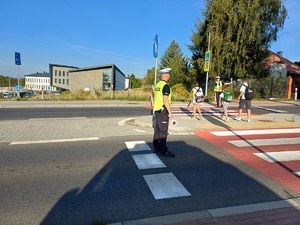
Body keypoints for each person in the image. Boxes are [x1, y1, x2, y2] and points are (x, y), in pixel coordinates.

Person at [153, 68, 175, 158]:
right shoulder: (166, 86)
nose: (169, 76)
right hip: (163, 111)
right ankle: (163, 150)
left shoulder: (158, 85)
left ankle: (156, 148)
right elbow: (165, 99)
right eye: (169, 74)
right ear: (166, 75)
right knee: (163, 131)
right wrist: (170, 112)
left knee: (157, 130)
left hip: (157, 110)